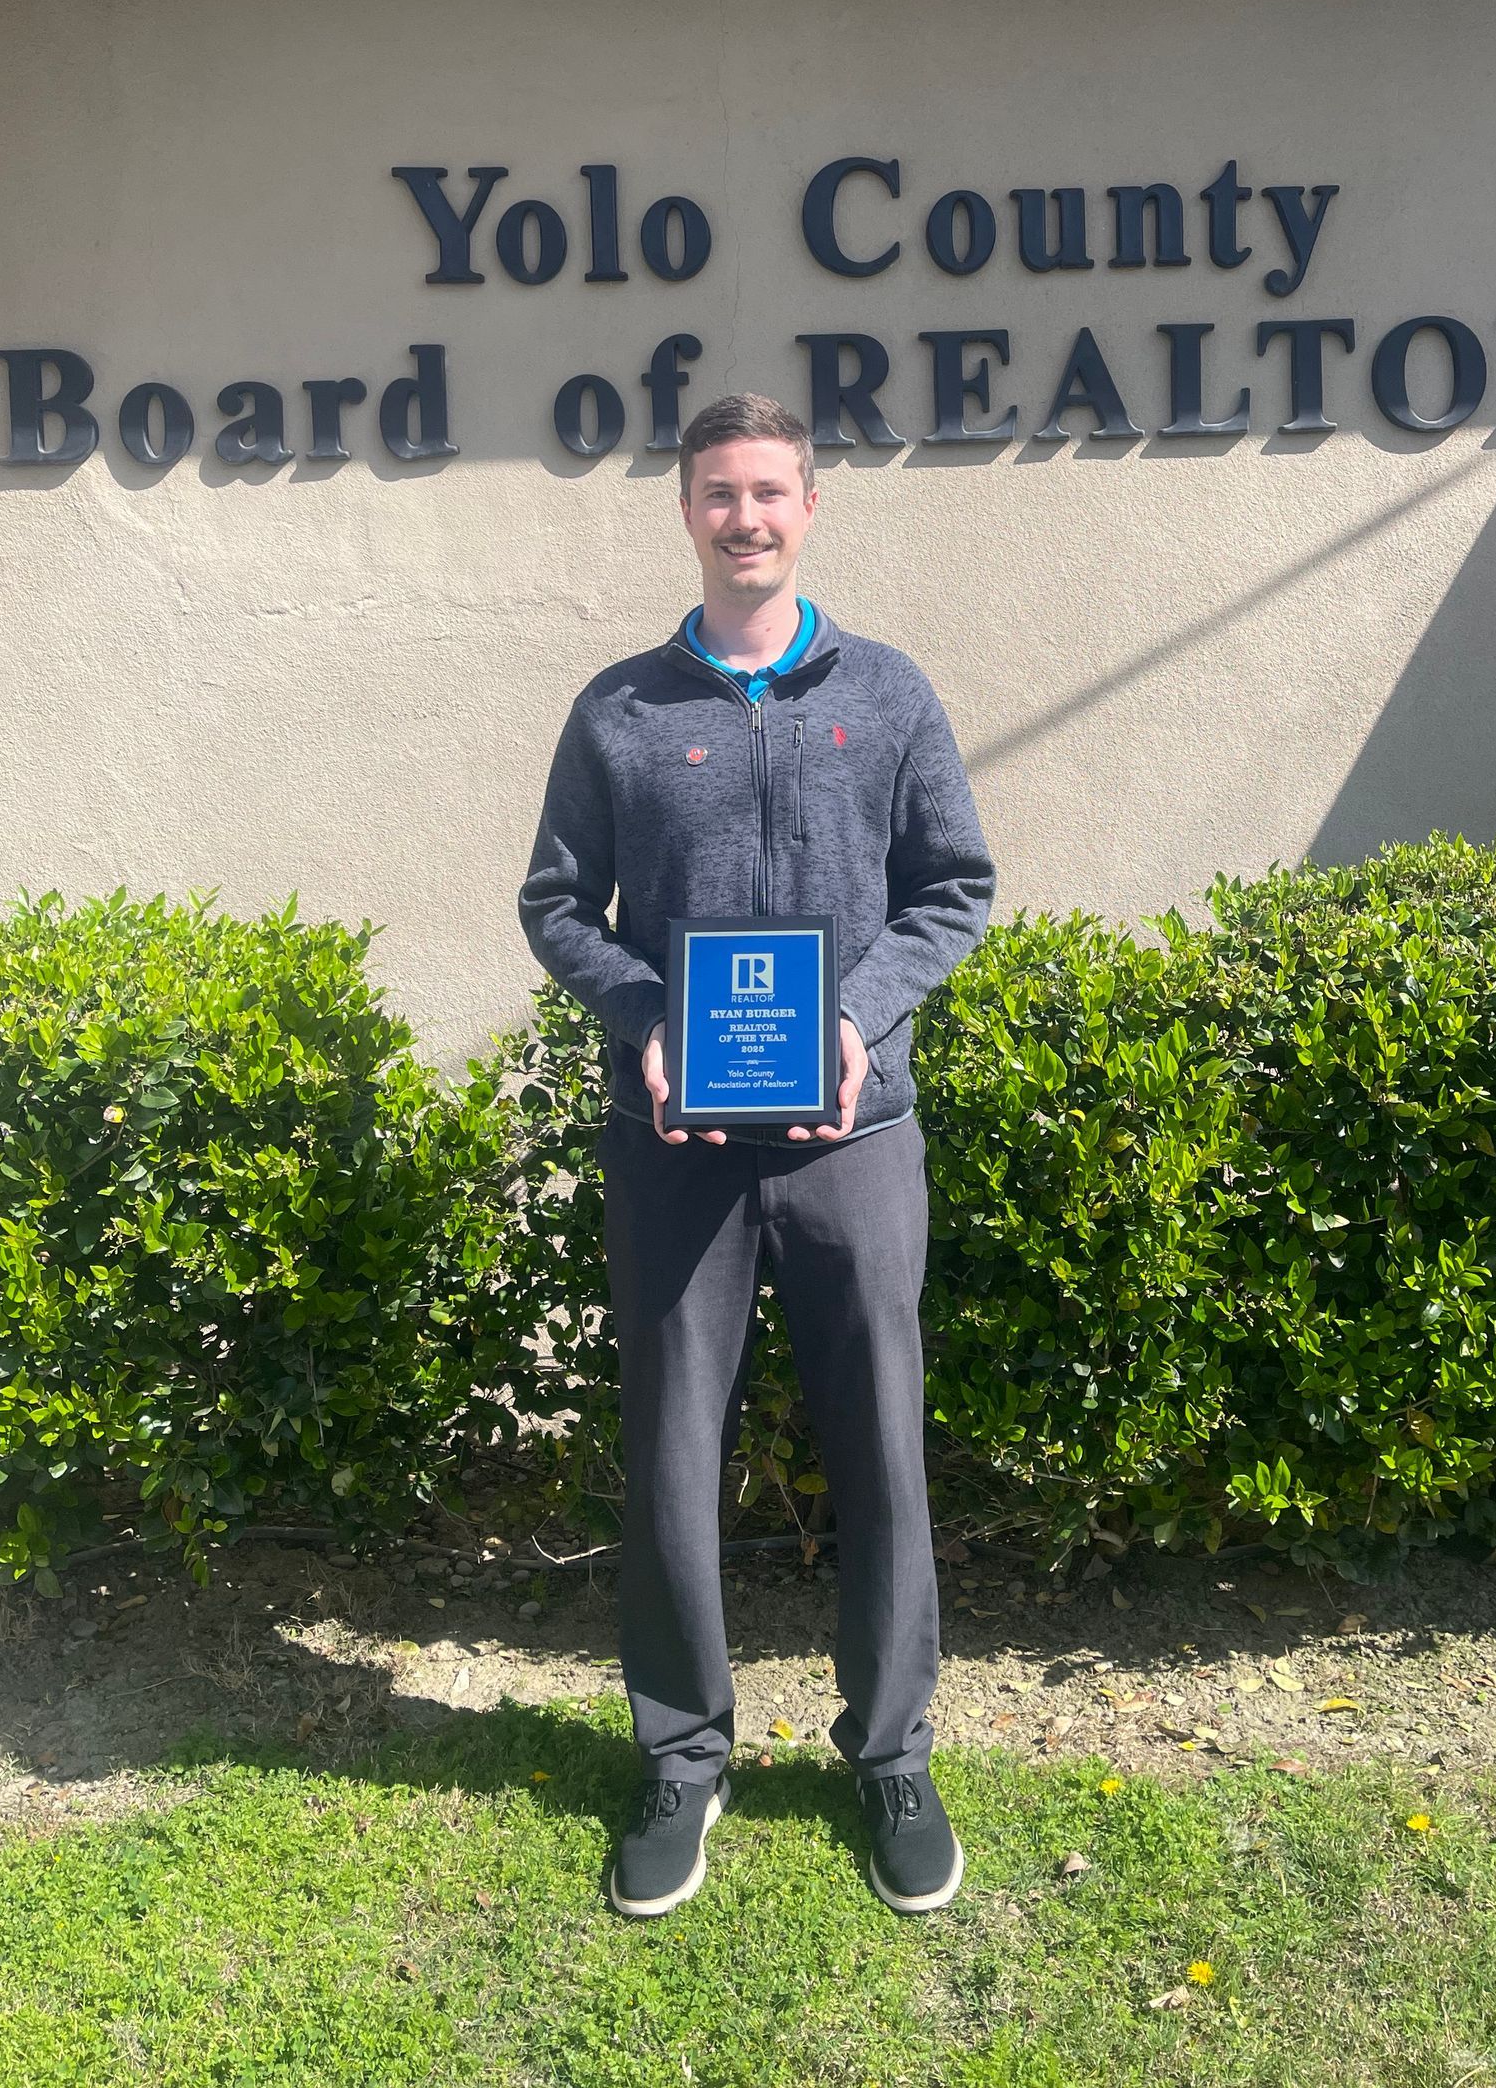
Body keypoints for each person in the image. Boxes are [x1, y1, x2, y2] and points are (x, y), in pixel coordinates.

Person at [518, 391, 996, 1920]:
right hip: (676, 1146)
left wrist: (856, 1015)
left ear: (810, 507)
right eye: (720, 493)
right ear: (686, 510)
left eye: (772, 492)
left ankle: (894, 1754)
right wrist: (648, 1011)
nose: (748, 518)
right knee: (668, 1455)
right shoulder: (619, 710)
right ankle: (682, 1757)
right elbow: (553, 904)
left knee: (885, 1449)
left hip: (856, 1137)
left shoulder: (892, 694)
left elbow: (954, 889)